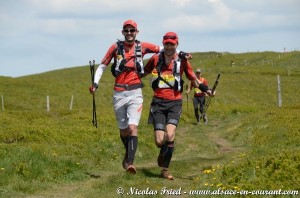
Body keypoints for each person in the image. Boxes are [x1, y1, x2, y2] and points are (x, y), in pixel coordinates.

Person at [89, 20, 190, 174]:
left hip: (136, 92)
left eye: (132, 30)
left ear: (137, 31)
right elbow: (103, 65)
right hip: (119, 92)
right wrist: (95, 83)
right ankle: (128, 154)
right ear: (122, 32)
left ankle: (130, 163)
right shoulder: (115, 47)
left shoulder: (143, 46)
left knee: (133, 127)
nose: (129, 33)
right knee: (124, 131)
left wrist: (182, 53)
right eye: (126, 30)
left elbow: (166, 48)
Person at [143, 32, 213, 180]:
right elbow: (143, 72)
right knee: (159, 141)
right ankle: (163, 152)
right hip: (158, 103)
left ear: (177, 44)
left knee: (170, 134)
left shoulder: (182, 61)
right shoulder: (155, 59)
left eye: (172, 44)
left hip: (175, 102)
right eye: (167, 44)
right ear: (163, 44)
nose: (169, 47)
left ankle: (165, 170)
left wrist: (207, 90)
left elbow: (194, 79)